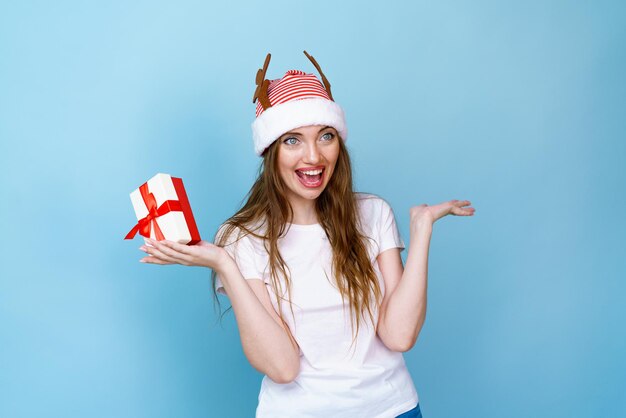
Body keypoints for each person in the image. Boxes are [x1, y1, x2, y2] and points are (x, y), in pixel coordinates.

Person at [139, 51, 475, 418]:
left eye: (325, 136)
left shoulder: (373, 213)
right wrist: (225, 264)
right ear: (271, 151)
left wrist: (422, 231)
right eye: (293, 140)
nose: (313, 156)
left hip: (394, 409)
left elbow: (400, 336)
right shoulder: (241, 237)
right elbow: (283, 368)